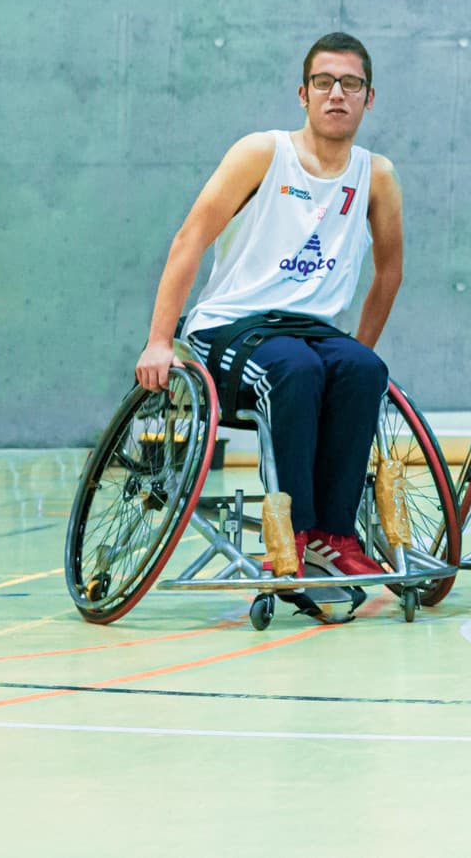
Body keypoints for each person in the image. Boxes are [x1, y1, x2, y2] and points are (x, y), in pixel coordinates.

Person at [134, 32, 405, 585]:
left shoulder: (376, 175)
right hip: (230, 327)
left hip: (311, 331)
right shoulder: (263, 152)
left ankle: (337, 536)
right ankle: (294, 533)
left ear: (369, 97)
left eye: (350, 84)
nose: (337, 94)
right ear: (302, 93)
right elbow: (190, 239)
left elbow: (390, 270)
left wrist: (357, 351)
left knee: (364, 370)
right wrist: (159, 340)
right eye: (323, 82)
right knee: (294, 368)